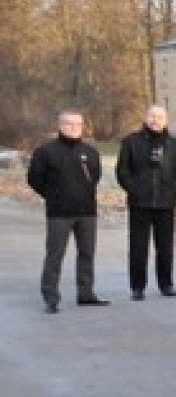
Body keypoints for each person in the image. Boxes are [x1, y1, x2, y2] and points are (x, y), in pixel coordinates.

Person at [27, 111, 109, 313]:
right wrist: (52, 195)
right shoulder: (46, 152)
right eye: (69, 123)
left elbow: (95, 176)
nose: (74, 127)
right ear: (60, 125)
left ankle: (86, 293)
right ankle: (51, 296)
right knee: (55, 255)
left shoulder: (90, 151)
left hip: (87, 211)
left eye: (78, 124)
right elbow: (34, 178)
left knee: (87, 254)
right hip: (59, 213)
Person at [115, 104, 176, 300]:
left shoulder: (174, 144)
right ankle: (137, 286)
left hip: (166, 202)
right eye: (152, 116)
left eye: (159, 117)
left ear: (165, 120)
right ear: (145, 117)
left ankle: (166, 283)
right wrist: (133, 188)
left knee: (165, 246)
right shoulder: (131, 142)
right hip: (139, 202)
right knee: (138, 246)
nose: (155, 120)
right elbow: (122, 170)